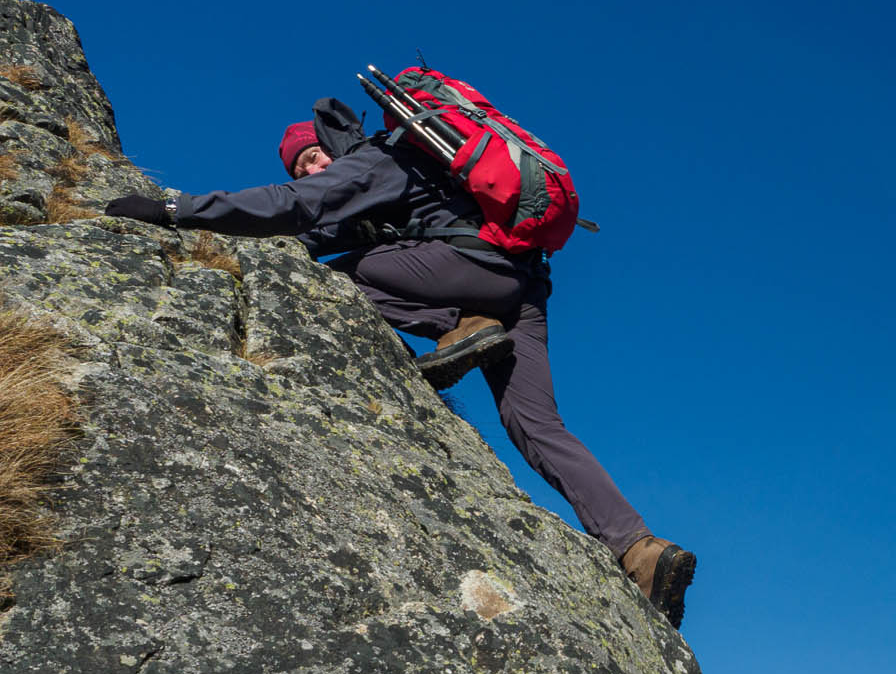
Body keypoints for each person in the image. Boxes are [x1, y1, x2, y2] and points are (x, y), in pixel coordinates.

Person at [103, 116, 698, 627]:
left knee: (341, 277)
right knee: (535, 424)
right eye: (300, 165)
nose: (310, 171)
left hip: (471, 272)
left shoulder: (373, 162)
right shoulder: (403, 179)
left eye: (313, 157)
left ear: (332, 147)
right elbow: (313, 227)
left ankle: (457, 324)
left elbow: (293, 207)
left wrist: (177, 210)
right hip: (520, 287)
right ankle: (641, 550)